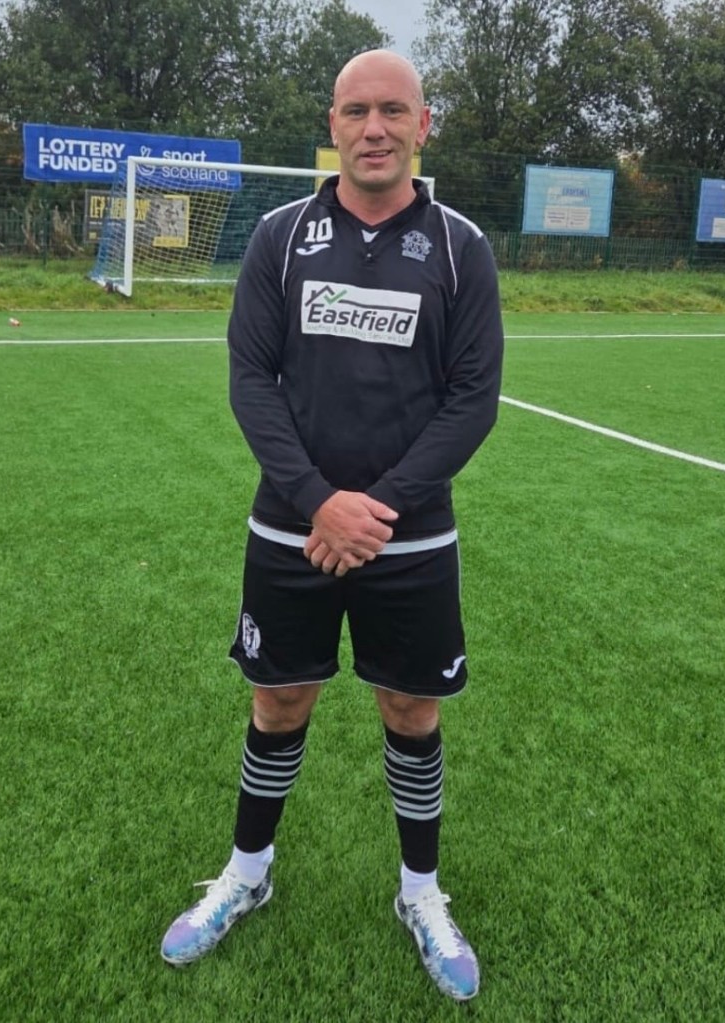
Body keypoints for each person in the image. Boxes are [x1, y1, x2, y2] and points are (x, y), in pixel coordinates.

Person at [160, 48, 504, 1002]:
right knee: (279, 702)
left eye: (394, 110)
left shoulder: (461, 247)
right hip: (291, 529)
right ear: (334, 125)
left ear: (424, 125)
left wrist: (373, 509)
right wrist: (320, 501)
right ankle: (247, 874)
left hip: (411, 537)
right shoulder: (280, 237)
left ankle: (420, 892)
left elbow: (474, 398)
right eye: (356, 111)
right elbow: (250, 379)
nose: (374, 129)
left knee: (411, 710)